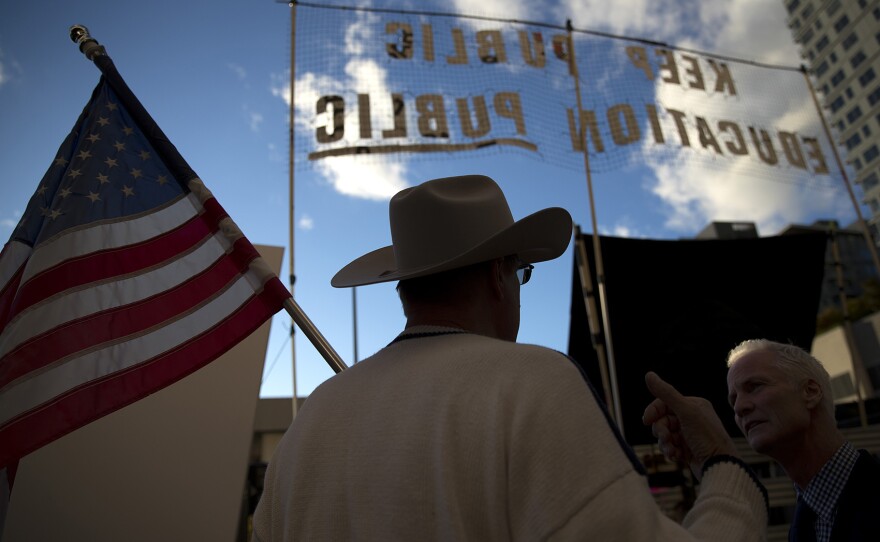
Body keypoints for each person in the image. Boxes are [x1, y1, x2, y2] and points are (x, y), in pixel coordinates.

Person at [252, 174, 768, 541]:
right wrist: (724, 469)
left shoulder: (309, 422)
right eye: (522, 273)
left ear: (404, 288)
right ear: (499, 276)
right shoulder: (532, 382)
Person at [726, 339, 880, 541]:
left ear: (811, 392)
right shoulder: (805, 524)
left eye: (755, 386)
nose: (739, 407)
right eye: (733, 399)